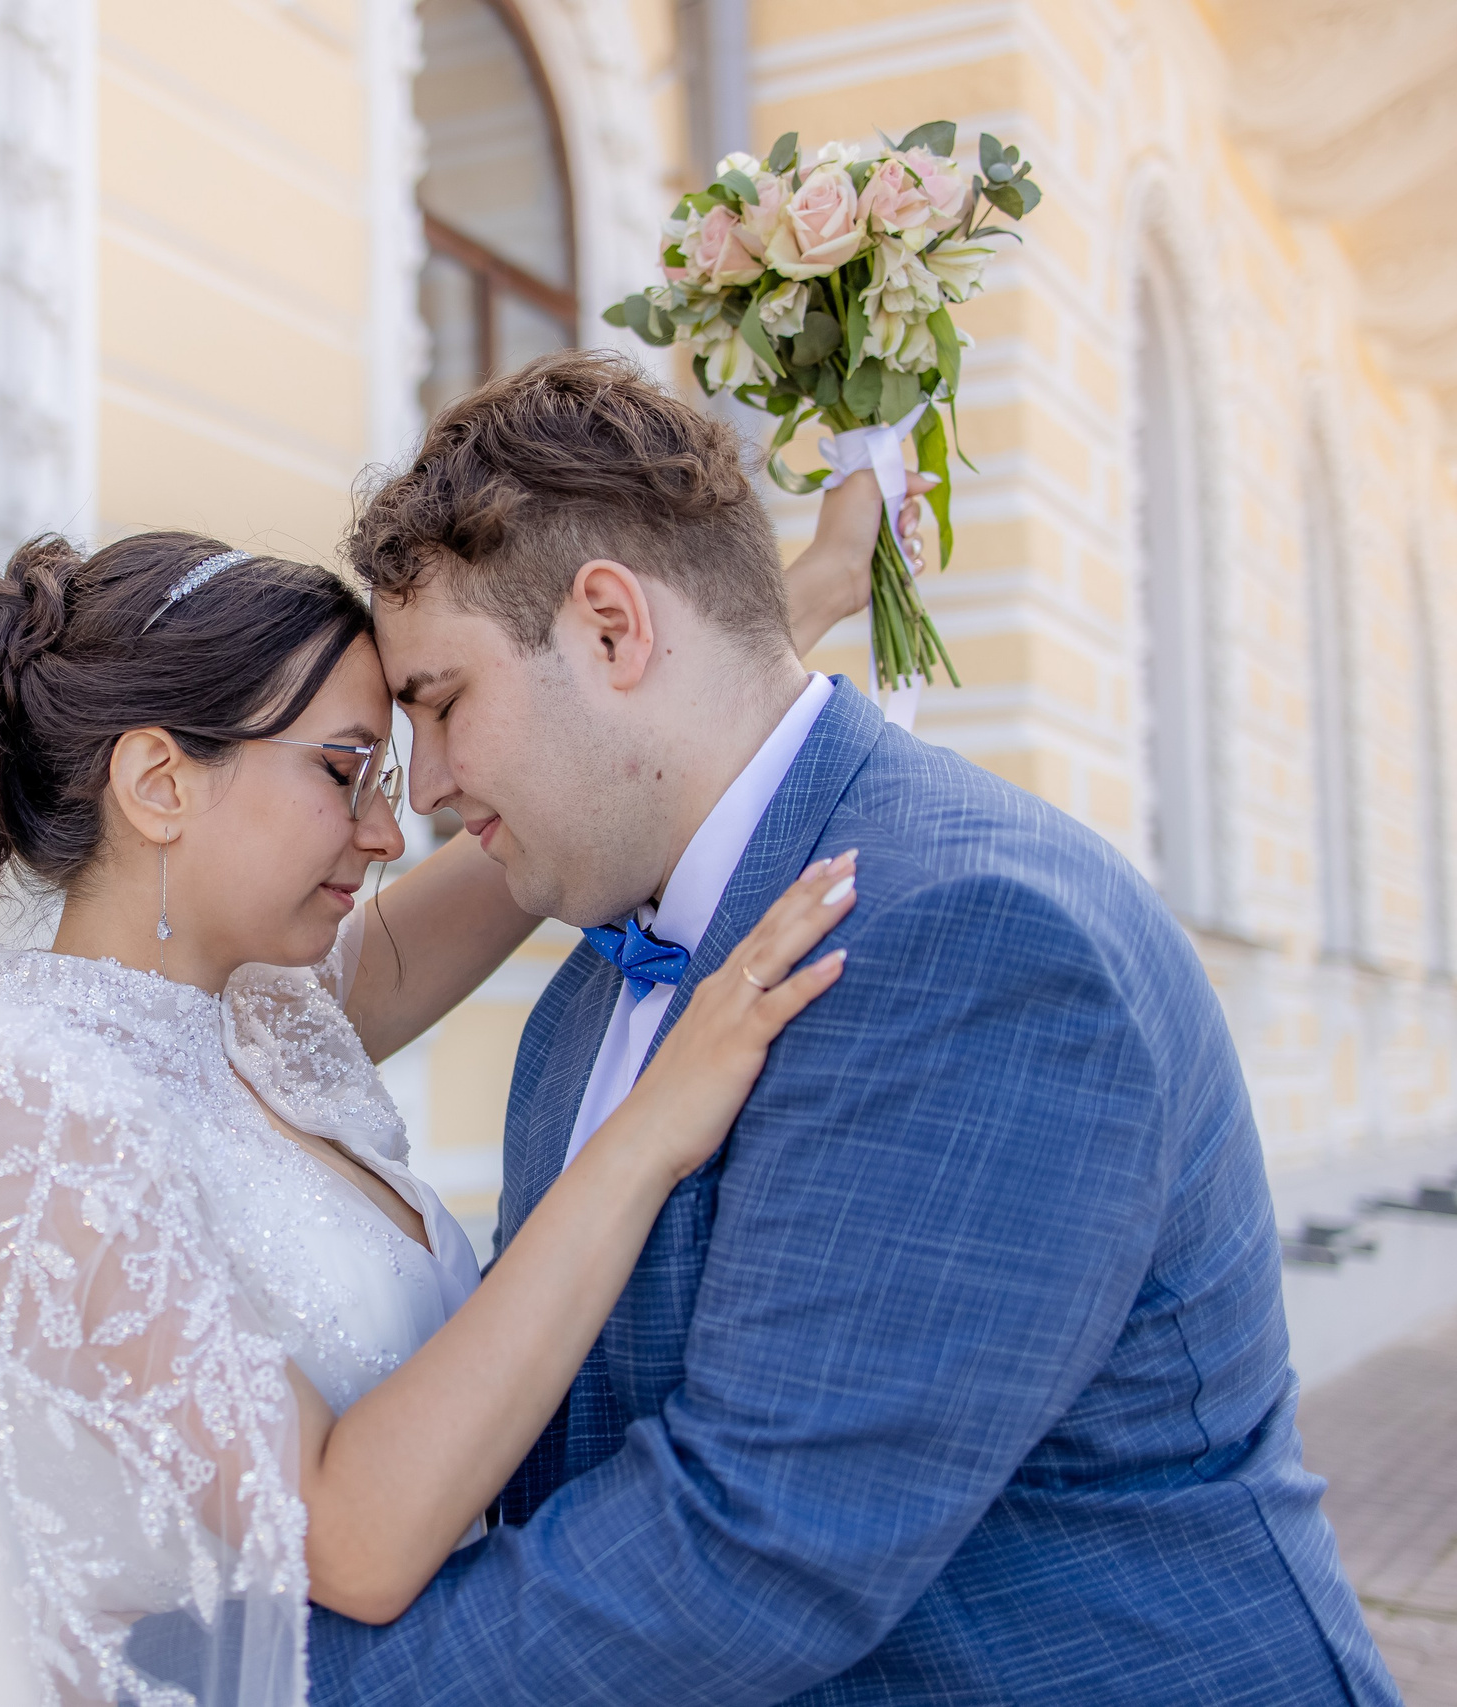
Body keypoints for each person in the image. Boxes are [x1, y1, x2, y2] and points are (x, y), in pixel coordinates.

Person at [302, 350, 1397, 1706]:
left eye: (443, 702)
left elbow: (750, 1549)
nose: (426, 789)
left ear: (610, 627)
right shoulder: (591, 982)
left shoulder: (976, 935)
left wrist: (271, 1685)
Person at [0, 483, 896, 1705]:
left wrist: (810, 593)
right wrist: (647, 1140)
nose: (388, 829)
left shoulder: (273, 1020)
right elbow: (344, 1541)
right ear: (159, 782)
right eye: (347, 769)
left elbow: (561, 814)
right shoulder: (19, 1104)